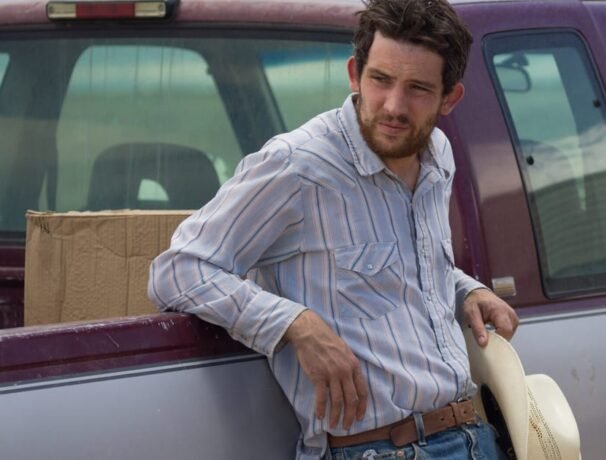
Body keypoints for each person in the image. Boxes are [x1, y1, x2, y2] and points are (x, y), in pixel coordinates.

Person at [148, 0, 519, 458]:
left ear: (450, 98)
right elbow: (178, 270)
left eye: (418, 89)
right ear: (354, 74)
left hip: (473, 437)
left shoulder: (438, 153)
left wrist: (463, 290)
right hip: (377, 450)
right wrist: (295, 323)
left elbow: (399, 264)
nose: (394, 106)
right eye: (380, 80)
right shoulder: (297, 165)